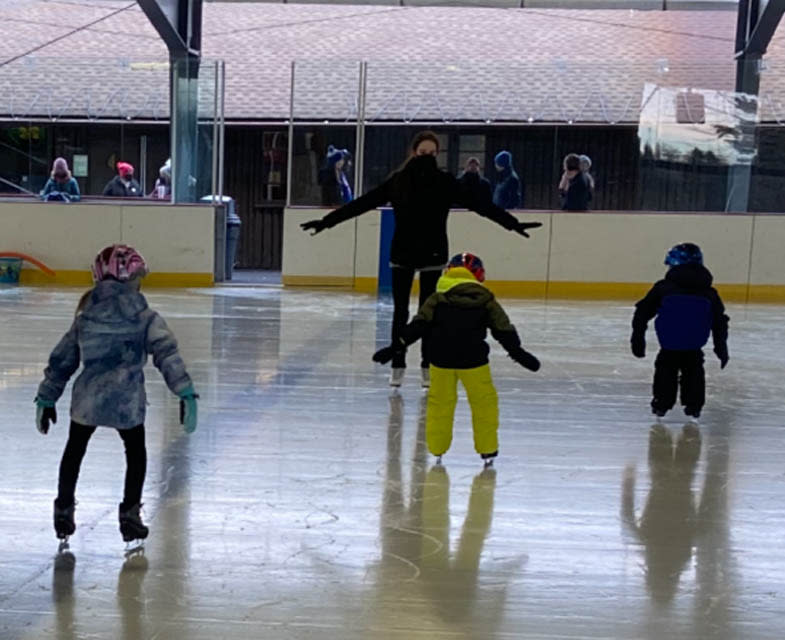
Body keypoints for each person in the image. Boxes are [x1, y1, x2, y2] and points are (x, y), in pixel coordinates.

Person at [300, 131, 541, 388]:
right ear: (414, 152)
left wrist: (512, 223)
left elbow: (480, 205)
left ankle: (427, 363)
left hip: (433, 254)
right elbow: (362, 204)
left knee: (429, 313)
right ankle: (397, 363)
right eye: (423, 152)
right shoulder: (399, 181)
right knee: (400, 311)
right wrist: (327, 222)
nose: (428, 157)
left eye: (432, 153)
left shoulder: (444, 182)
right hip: (403, 254)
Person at [35, 244, 199, 544]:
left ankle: (63, 509)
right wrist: (184, 390)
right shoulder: (145, 316)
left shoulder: (86, 315)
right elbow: (167, 353)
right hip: (127, 403)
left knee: (74, 451)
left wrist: (47, 396)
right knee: (135, 454)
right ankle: (129, 515)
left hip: (88, 400)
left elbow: (63, 359)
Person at [372, 253, 540, 465]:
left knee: (440, 405)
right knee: (484, 404)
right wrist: (518, 353)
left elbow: (418, 326)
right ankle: (487, 450)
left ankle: (437, 448)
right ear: (478, 275)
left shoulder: (436, 299)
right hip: (475, 362)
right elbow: (502, 328)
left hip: (441, 361)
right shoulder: (486, 299)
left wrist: (396, 348)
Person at [630, 242, 729, 420]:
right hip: (694, 343)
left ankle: (662, 403)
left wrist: (638, 339)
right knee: (694, 369)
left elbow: (642, 312)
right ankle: (694, 404)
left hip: (669, 343)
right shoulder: (709, 293)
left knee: (665, 368)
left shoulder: (663, 288)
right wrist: (720, 347)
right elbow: (720, 321)